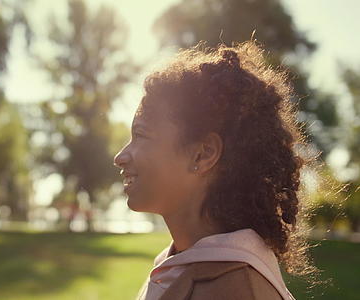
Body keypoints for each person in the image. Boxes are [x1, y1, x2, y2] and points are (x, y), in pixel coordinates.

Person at [114, 41, 316, 300]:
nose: (120, 157)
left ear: (204, 153)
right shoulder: (184, 263)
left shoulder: (235, 290)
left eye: (140, 134)